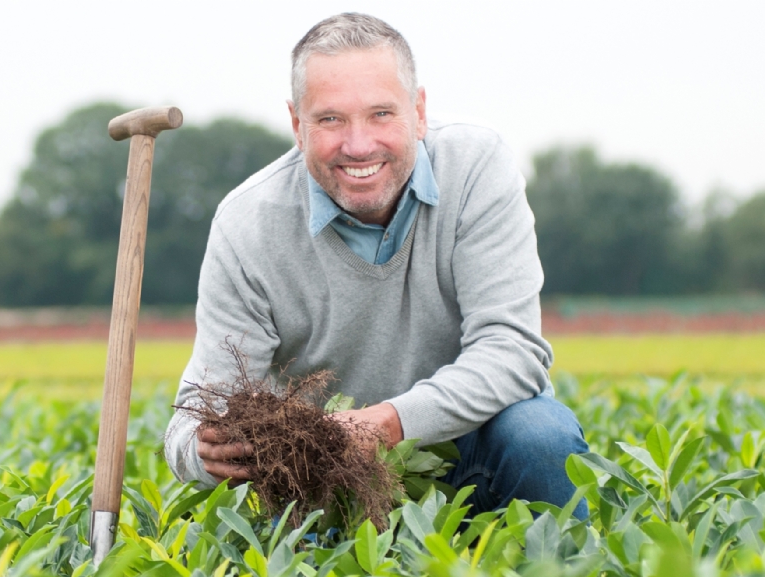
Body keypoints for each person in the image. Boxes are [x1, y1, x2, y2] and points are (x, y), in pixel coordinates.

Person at [165, 12, 589, 519]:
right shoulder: (248, 224)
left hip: (469, 450)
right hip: (331, 476)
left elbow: (512, 352)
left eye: (381, 114)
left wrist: (389, 422)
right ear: (298, 126)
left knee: (539, 435)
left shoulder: (476, 168)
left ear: (419, 111)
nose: (359, 144)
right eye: (330, 119)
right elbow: (194, 418)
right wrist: (204, 451)